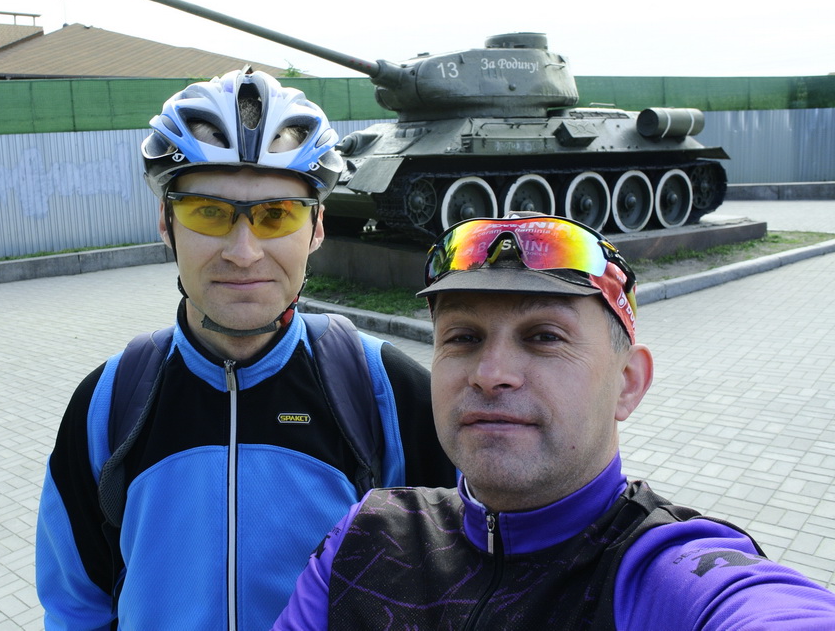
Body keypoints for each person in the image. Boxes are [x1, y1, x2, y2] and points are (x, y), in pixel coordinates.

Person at [35, 68, 456, 630]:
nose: (243, 252)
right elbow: (77, 607)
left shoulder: (387, 391)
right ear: (166, 222)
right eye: (207, 212)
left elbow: (460, 581)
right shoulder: (109, 403)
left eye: (276, 215)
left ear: (317, 228)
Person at [274, 214, 835, 629]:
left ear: (628, 382)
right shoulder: (366, 538)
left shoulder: (665, 572)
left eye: (544, 337)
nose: (491, 374)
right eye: (463, 337)